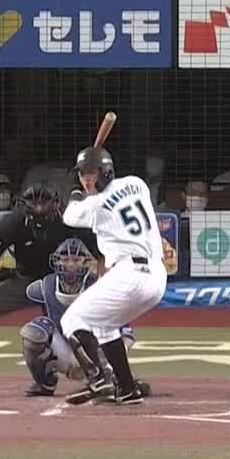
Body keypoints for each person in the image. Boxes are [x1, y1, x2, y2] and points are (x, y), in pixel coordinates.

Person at [0, 181, 99, 389]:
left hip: (62, 284)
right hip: (23, 280)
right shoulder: (12, 222)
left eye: (44, 202)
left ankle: (99, 372)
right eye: (34, 203)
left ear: (56, 204)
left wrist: (101, 283)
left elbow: (100, 254)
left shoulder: (70, 221)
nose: (39, 208)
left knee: (78, 324)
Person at [59, 146, 168, 406]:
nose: (86, 180)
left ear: (106, 172)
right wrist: (88, 187)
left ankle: (100, 380)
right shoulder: (137, 184)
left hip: (130, 274)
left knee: (71, 320)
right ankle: (127, 389)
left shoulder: (94, 206)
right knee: (104, 327)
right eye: (82, 175)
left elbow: (69, 216)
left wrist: (75, 193)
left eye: (91, 174)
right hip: (156, 277)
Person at [20, 238, 146, 398]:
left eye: (76, 260)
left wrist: (110, 363)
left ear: (85, 263)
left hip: (97, 357)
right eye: (65, 259)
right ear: (57, 262)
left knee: (98, 334)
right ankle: (44, 382)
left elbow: (127, 334)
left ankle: (116, 379)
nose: (70, 265)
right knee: (34, 331)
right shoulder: (46, 286)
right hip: (65, 351)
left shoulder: (101, 286)